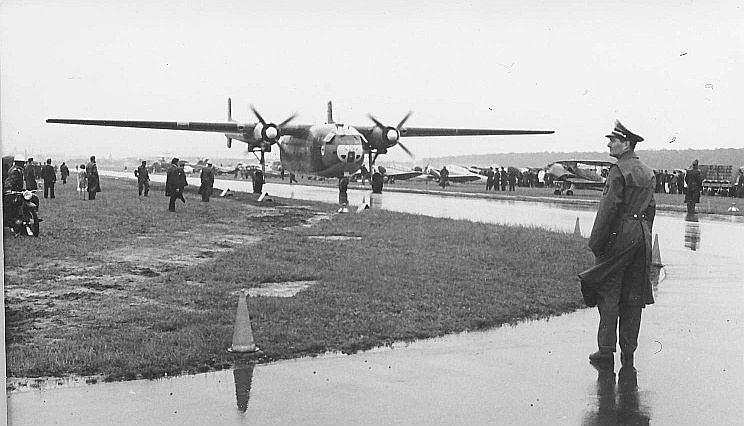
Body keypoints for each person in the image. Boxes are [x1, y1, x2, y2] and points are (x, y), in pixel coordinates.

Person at [578, 120, 656, 368]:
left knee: (609, 291)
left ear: (626, 143)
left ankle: (605, 350)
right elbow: (651, 208)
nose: (609, 144)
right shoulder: (647, 171)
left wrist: (597, 243)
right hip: (641, 236)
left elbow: (608, 209)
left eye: (613, 140)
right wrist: (644, 234)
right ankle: (629, 351)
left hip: (619, 236)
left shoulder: (618, 171)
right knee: (634, 295)